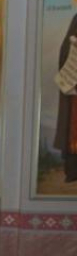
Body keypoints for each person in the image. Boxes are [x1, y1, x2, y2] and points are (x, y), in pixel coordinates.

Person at [55, 12, 77, 183]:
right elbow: (64, 55)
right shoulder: (75, 22)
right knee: (72, 132)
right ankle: (72, 171)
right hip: (74, 95)